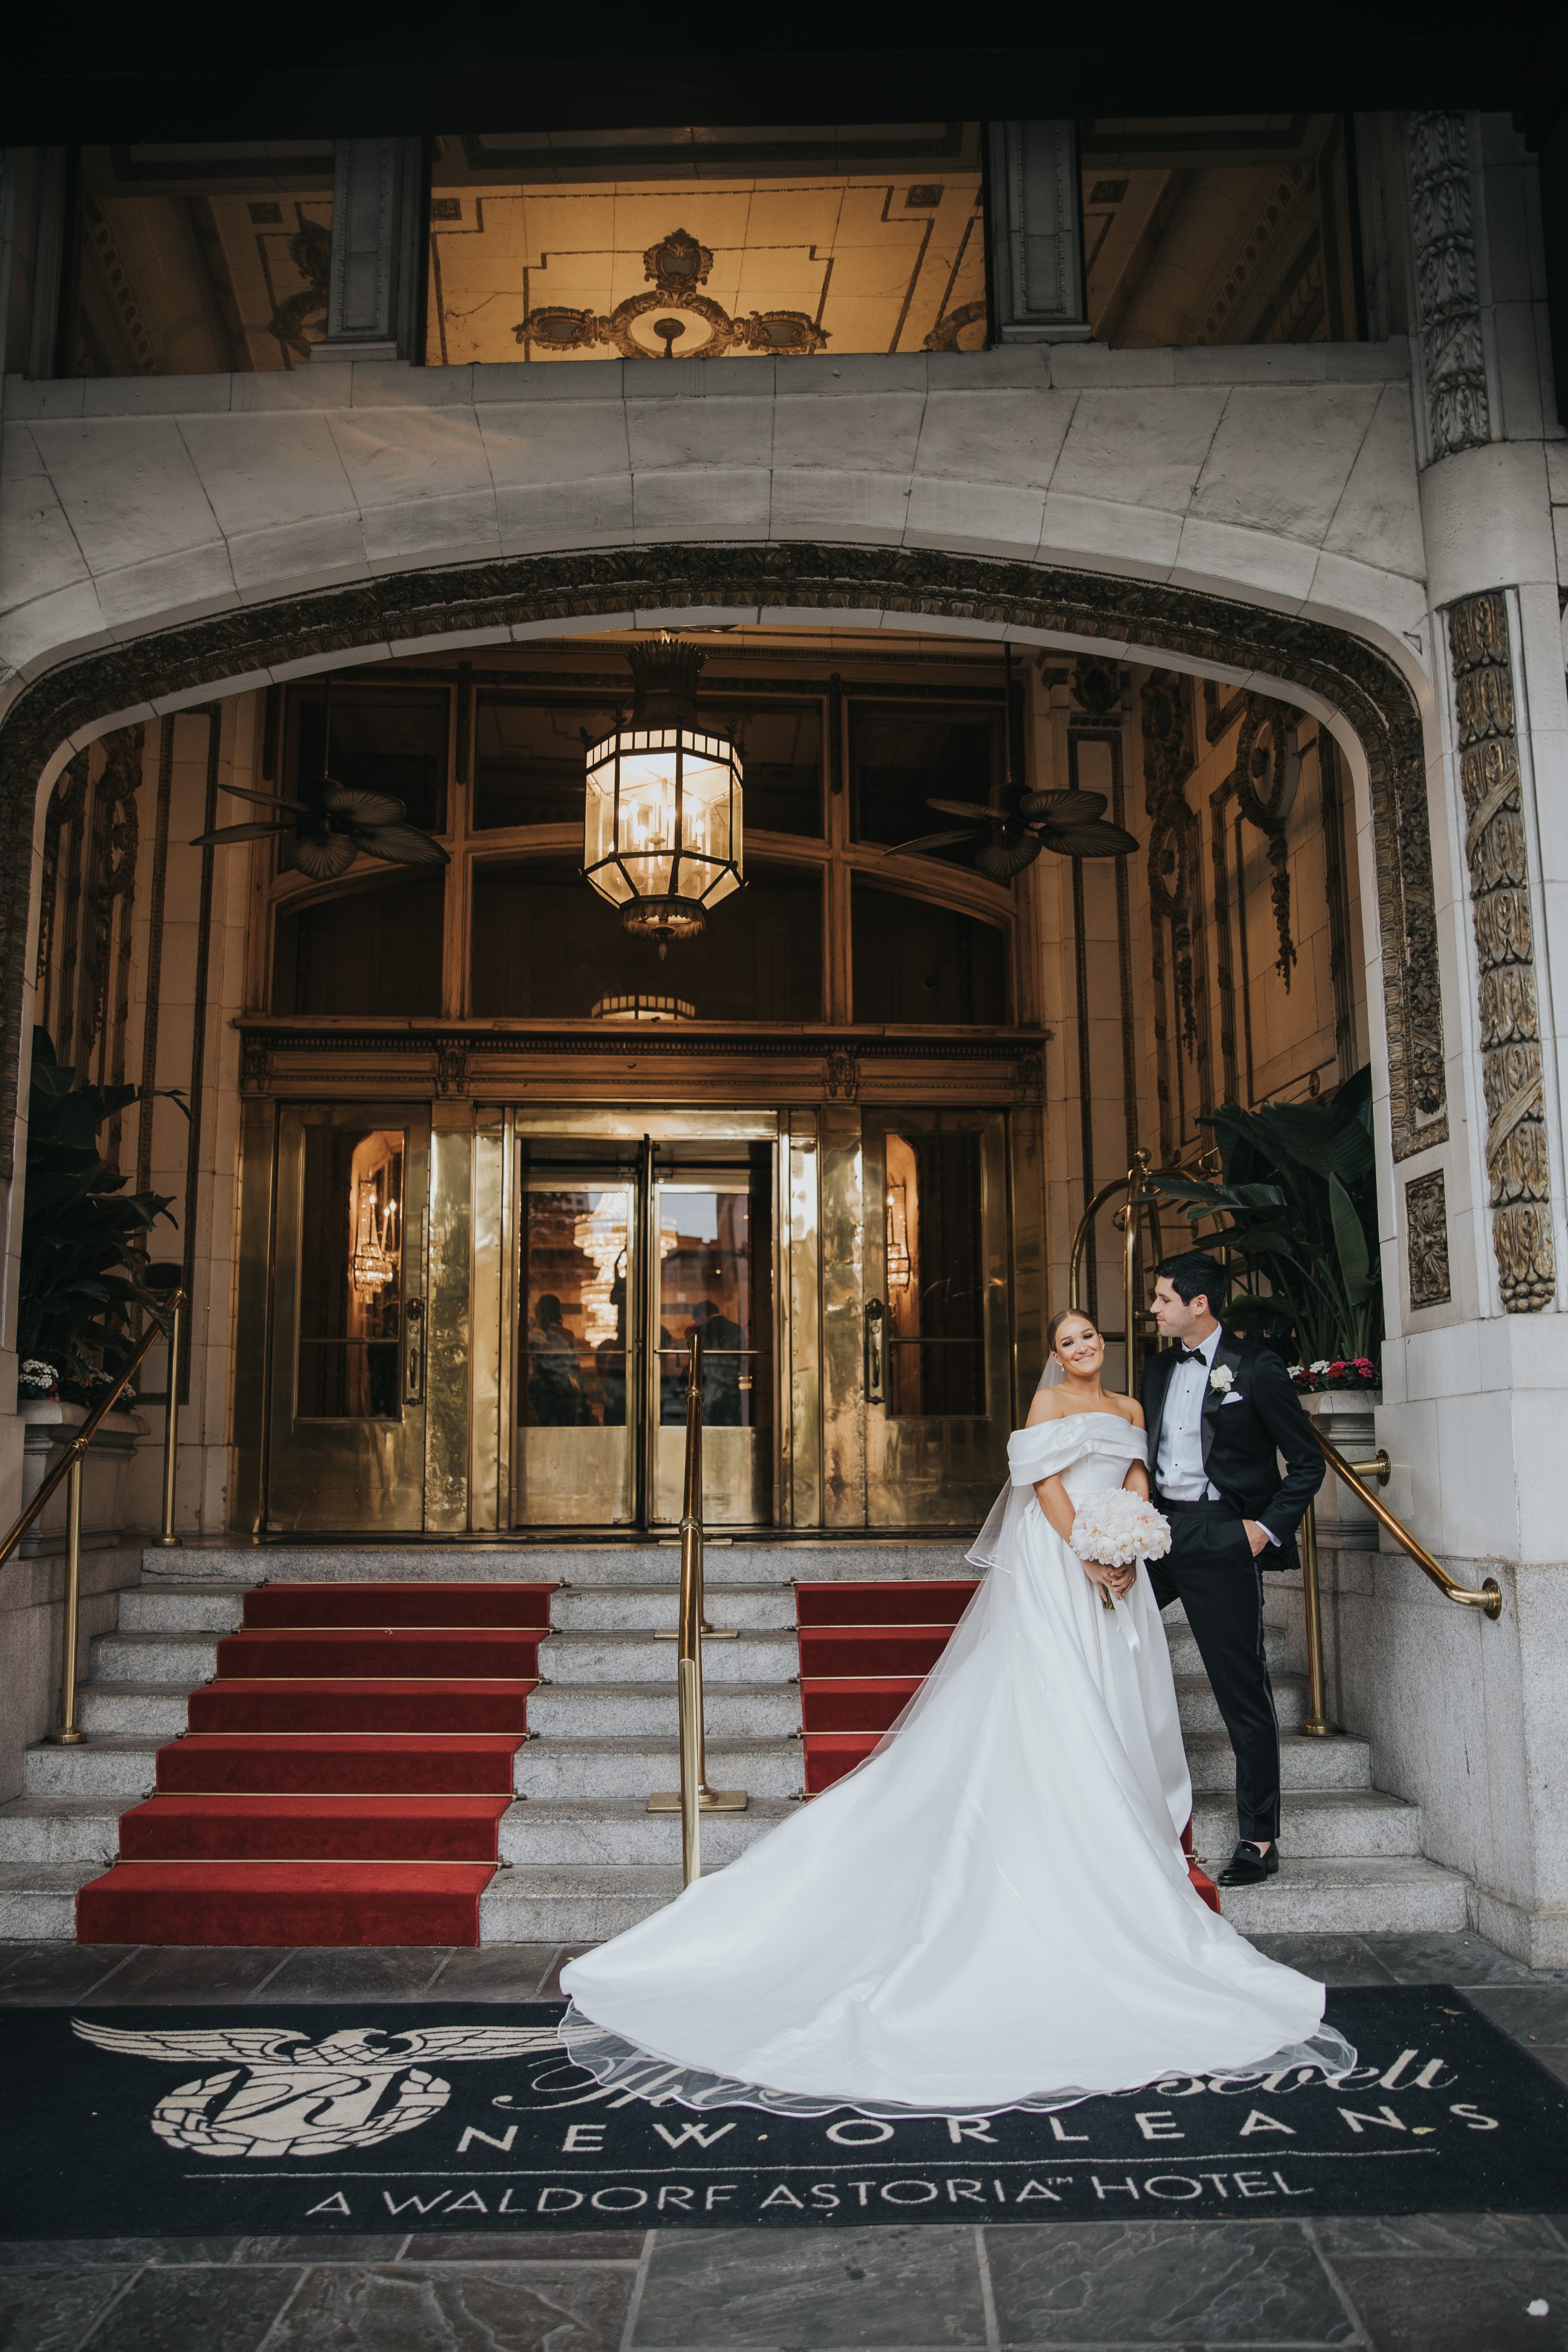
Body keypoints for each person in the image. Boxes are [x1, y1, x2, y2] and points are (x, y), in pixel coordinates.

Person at [557, 1305, 1351, 2118]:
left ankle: (1124, 1818)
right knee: (1059, 1695)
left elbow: (1139, 1475)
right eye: (1070, 1340)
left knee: (1122, 1695)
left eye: (1092, 1336)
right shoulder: (1048, 1408)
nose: (1085, 1347)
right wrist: (1088, 1552)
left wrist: (1134, 1539)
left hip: (1121, 1568)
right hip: (1061, 1565)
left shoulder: (1131, 1408)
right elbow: (1046, 1489)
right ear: (1055, 1355)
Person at [1142, 1250, 1326, 1890]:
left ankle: (1258, 1837)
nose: (1153, 1308)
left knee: (1239, 1687)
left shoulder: (1255, 1367)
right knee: (1096, 1627)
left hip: (1224, 1536)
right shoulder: (1158, 1367)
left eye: (1162, 1298)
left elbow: (1306, 1464)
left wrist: (1261, 1529)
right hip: (1159, 1535)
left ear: (1199, 1304)